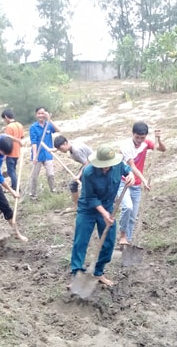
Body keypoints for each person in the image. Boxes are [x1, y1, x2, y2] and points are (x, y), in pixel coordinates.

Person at [70, 145, 135, 287]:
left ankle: (98, 272)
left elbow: (127, 169)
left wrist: (131, 174)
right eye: (103, 166)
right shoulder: (88, 172)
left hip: (108, 206)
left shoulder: (118, 164)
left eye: (108, 166)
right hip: (87, 209)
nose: (106, 168)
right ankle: (77, 274)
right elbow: (91, 198)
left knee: (109, 242)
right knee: (81, 241)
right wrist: (103, 213)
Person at [118, 122, 166, 245]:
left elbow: (162, 149)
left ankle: (126, 242)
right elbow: (132, 166)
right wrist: (144, 180)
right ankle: (122, 235)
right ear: (132, 134)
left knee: (133, 217)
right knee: (127, 207)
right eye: (137, 137)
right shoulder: (125, 146)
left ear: (145, 136)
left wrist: (158, 139)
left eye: (142, 138)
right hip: (124, 182)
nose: (139, 140)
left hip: (136, 185)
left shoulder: (146, 143)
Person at [53, 135, 93, 211]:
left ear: (65, 143)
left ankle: (77, 206)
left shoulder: (76, 151)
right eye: (59, 149)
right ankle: (78, 205)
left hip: (92, 164)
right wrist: (55, 150)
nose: (61, 151)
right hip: (88, 163)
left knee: (74, 184)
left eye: (61, 149)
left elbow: (86, 163)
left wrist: (78, 175)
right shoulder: (70, 144)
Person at [29, 107, 60, 198]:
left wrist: (49, 119)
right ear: (36, 115)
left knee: (50, 174)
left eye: (43, 113)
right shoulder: (33, 127)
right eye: (39, 113)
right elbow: (33, 142)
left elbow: (58, 130)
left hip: (48, 153)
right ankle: (33, 194)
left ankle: (53, 190)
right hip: (38, 154)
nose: (41, 115)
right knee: (34, 176)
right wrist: (35, 155)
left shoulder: (48, 125)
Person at [1, 109, 24, 192]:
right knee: (12, 169)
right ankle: (14, 184)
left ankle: (15, 187)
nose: (4, 121)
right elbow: (21, 137)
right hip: (17, 151)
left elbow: (8, 141)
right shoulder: (19, 125)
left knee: (11, 171)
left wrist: (4, 154)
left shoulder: (9, 127)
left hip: (10, 152)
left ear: (6, 117)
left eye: (4, 119)